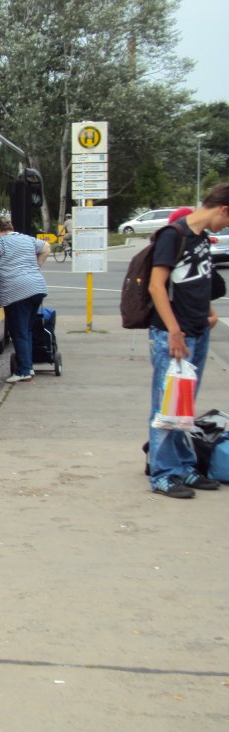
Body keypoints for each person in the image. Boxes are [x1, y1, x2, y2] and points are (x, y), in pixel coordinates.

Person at [146, 184, 228, 498]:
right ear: (223, 209)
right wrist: (174, 331)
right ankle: (163, 474)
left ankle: (184, 467)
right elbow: (157, 286)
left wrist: (208, 312)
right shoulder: (174, 235)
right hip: (173, 334)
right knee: (166, 405)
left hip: (198, 330)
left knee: (183, 405)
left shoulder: (202, 238)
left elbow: (200, 280)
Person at [0, 216, 49, 383]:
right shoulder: (27, 239)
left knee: (19, 332)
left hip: (17, 292)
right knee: (27, 330)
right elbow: (46, 247)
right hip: (37, 288)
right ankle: (28, 367)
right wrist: (37, 266)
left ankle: (23, 371)